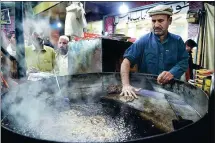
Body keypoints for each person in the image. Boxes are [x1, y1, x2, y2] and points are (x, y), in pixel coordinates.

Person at [120, 5, 189, 100]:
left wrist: (172, 73)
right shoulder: (143, 41)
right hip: (146, 91)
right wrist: (126, 85)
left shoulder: (177, 41)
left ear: (169, 21)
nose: (156, 25)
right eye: (153, 21)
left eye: (160, 20)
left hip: (170, 91)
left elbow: (184, 61)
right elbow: (126, 62)